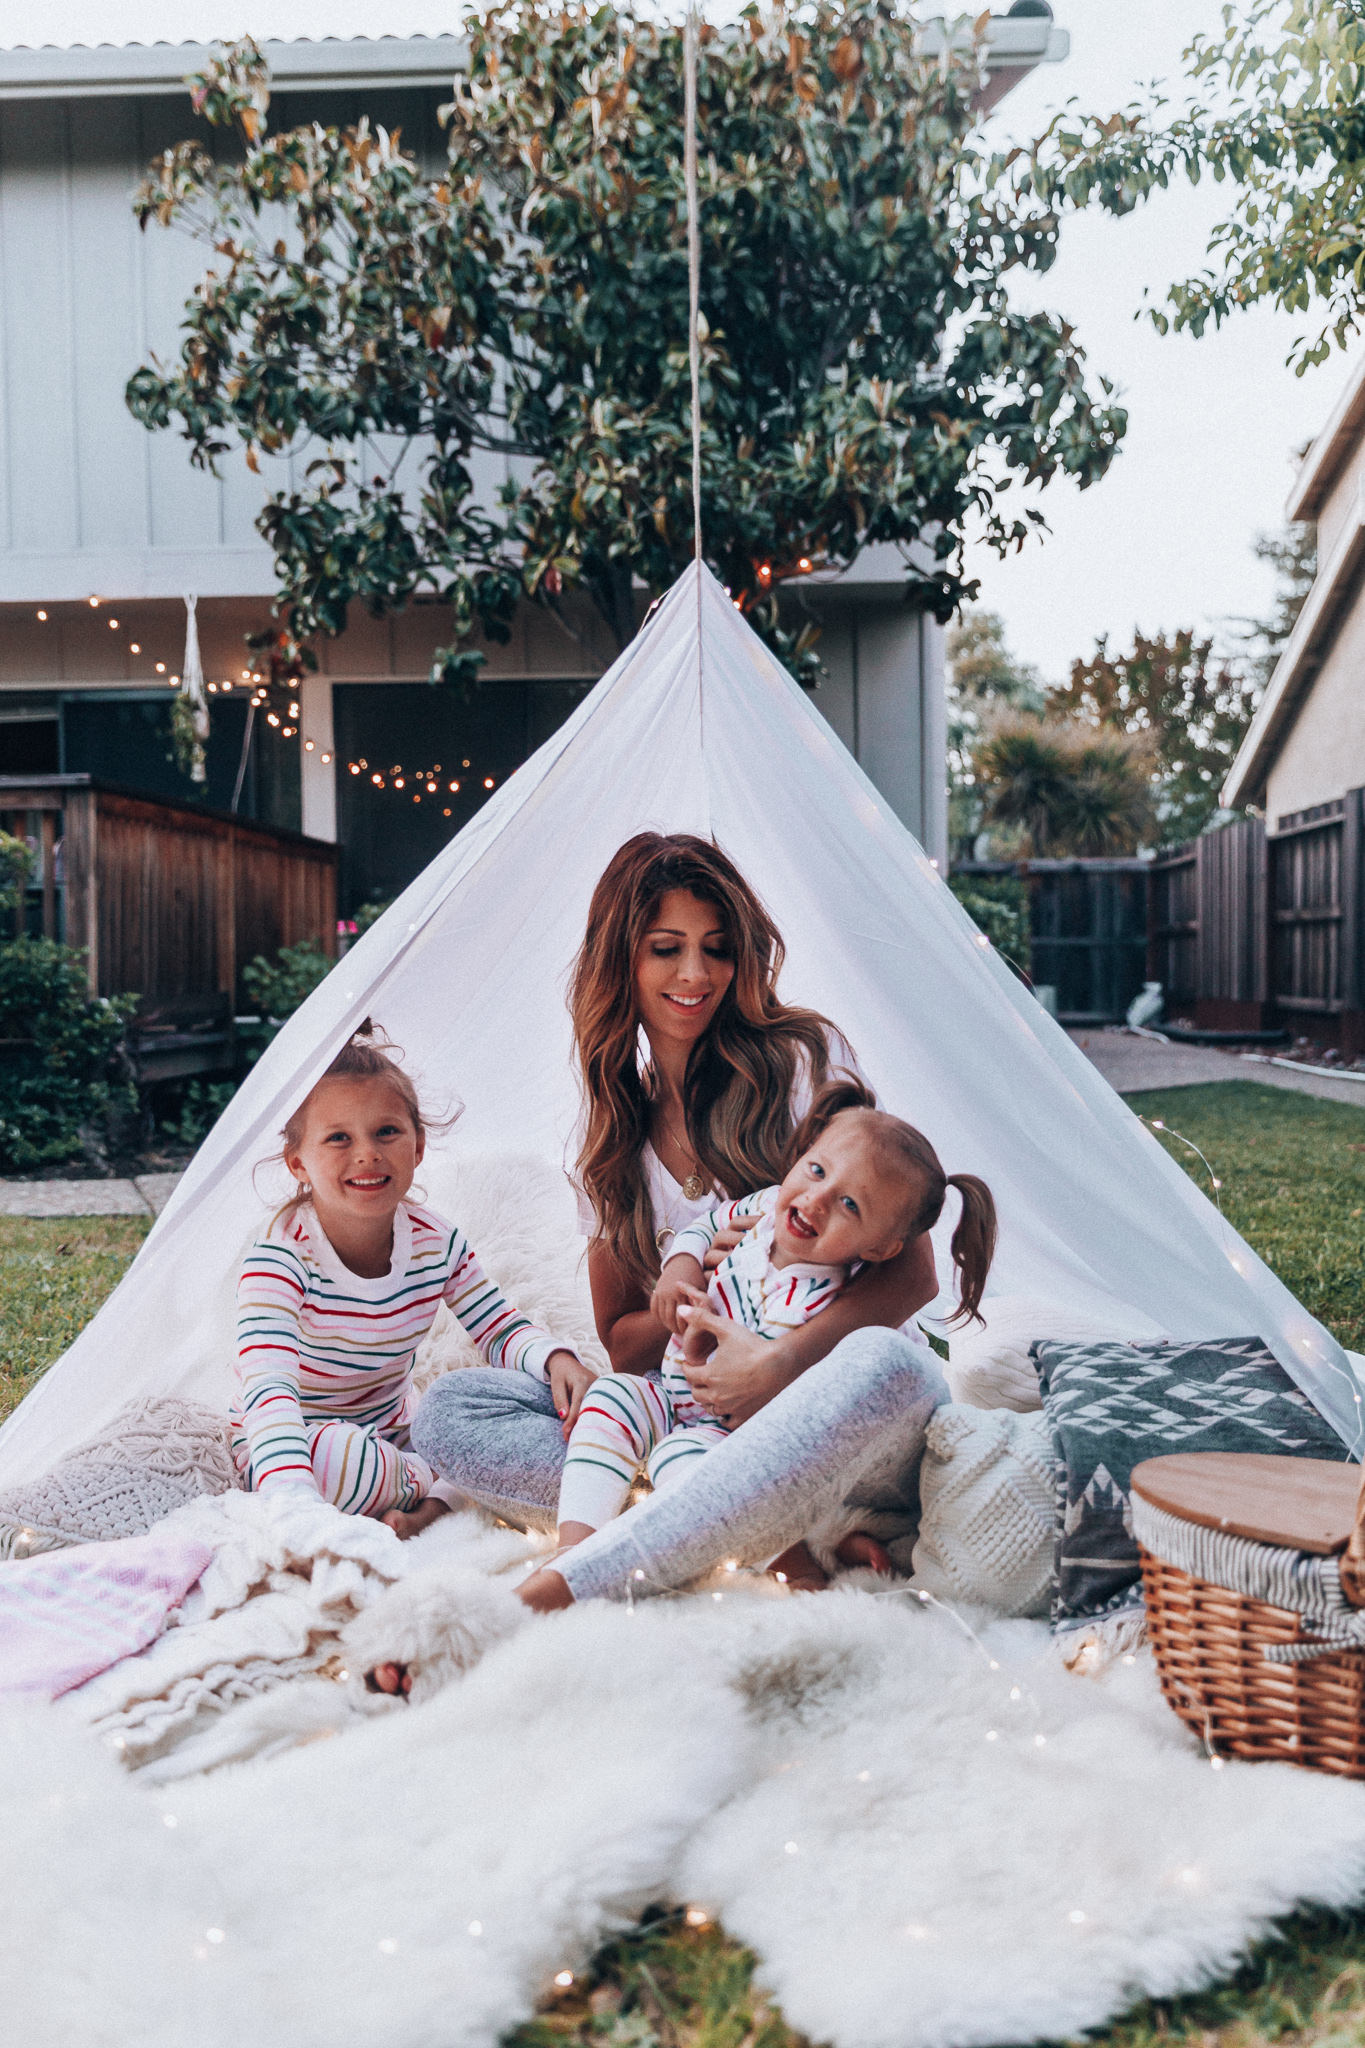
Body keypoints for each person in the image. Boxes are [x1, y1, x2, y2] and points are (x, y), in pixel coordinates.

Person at [408, 833, 951, 1596]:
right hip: (701, 1419)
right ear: (620, 960)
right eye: (666, 948)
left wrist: (774, 1367)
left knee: (889, 1365)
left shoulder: (803, 1059)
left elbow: (915, 1273)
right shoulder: (608, 1142)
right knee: (454, 1408)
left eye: (717, 948)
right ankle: (731, 1516)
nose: (695, 974)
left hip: (830, 1411)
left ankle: (663, 1530)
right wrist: (700, 1287)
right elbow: (625, 1346)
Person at [519, 1081, 997, 1611]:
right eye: (816, 1171)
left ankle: (792, 1558)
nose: (815, 1200)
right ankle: (574, 1547)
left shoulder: (840, 1299)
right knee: (612, 1396)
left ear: (882, 1247)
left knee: (684, 1460)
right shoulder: (767, 1206)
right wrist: (679, 1267)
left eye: (848, 1204)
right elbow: (704, 1228)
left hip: (748, 1444)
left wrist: (769, 1377)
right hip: (676, 1396)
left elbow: (821, 1424)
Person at [232, 1023, 593, 1539]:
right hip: (293, 1440)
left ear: (418, 1146)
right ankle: (440, 1490)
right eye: (339, 1139)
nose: (367, 1154)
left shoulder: (434, 1242)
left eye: (387, 1132)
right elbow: (269, 1391)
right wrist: (291, 1499)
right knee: (337, 1461)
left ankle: (428, 1498)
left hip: (397, 1430)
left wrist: (558, 1359)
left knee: (481, 1421)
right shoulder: (279, 1260)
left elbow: (498, 1328)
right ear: (299, 1164)